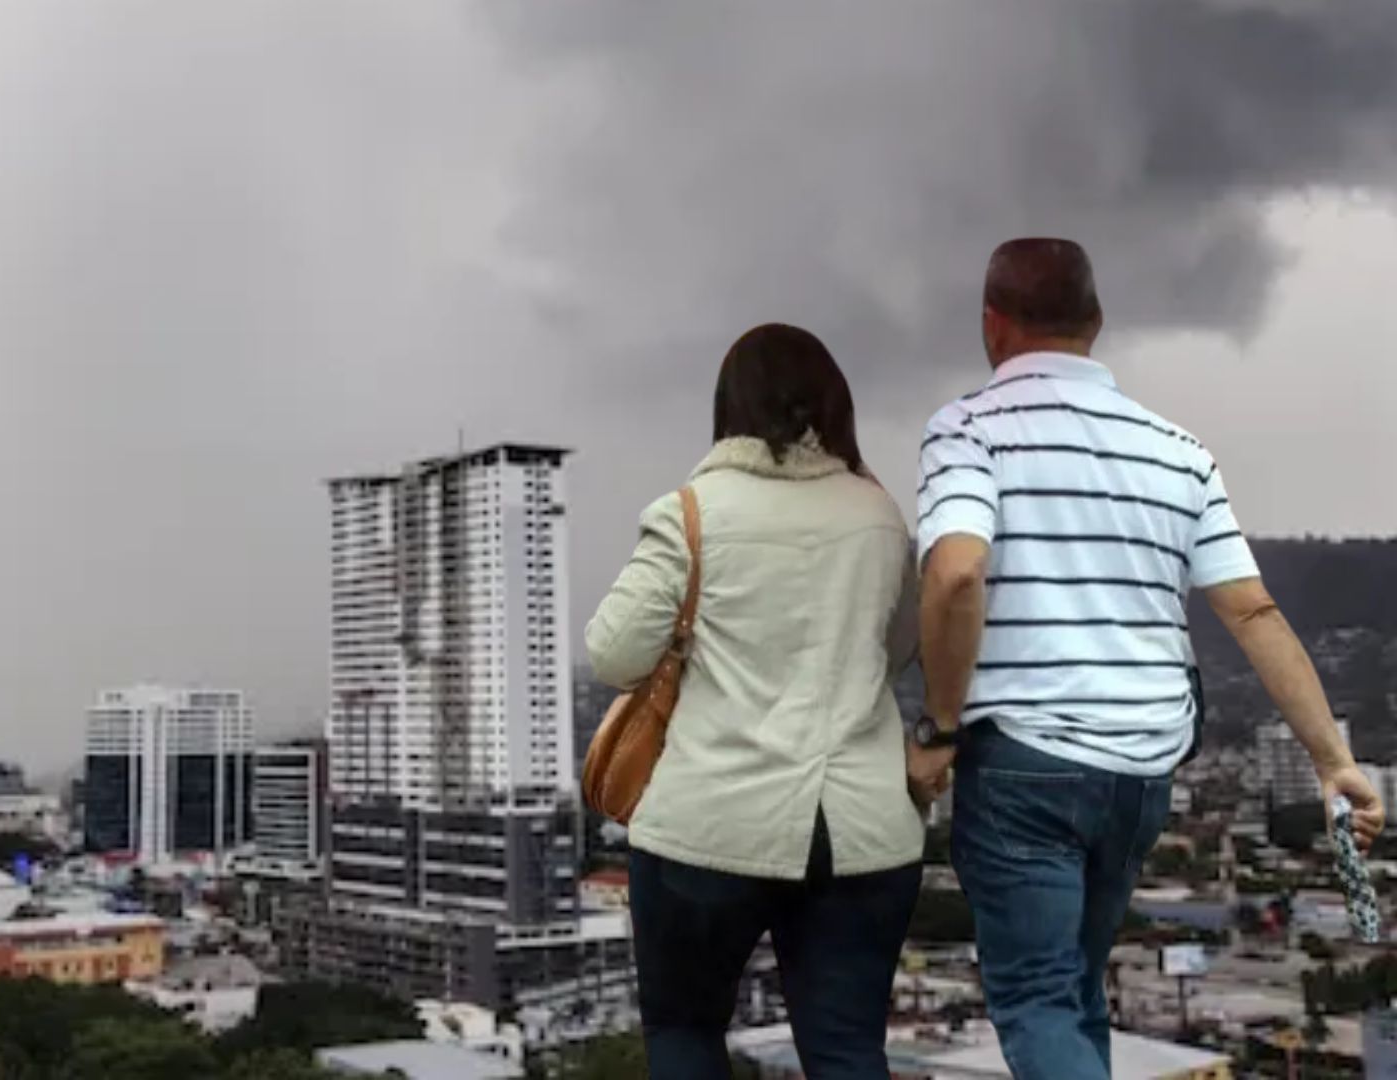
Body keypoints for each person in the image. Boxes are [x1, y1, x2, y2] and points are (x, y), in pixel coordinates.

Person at [908, 238, 1386, 1079]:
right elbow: (1253, 609)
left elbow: (954, 573)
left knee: (1037, 999)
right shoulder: (1177, 449)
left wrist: (940, 727)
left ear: (992, 325)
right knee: (1079, 991)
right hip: (1142, 772)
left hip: (1025, 765)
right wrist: (1334, 760)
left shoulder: (968, 429)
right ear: (1096, 324)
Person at [588, 323, 924, 1080]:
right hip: (860, 830)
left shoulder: (693, 512)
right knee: (845, 1050)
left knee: (684, 1031)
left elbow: (613, 653)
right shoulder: (878, 516)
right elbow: (897, 648)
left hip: (708, 823)